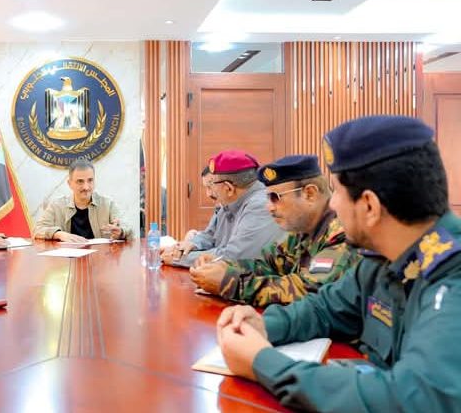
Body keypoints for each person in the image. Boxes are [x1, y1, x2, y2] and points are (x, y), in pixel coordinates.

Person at [217, 115, 461, 411]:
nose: (331, 203)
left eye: (338, 191)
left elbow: (410, 399)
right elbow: (324, 309)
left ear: (369, 206)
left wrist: (262, 363)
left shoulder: (452, 282)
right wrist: (263, 326)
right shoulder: (382, 260)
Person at [189, 155, 359, 306]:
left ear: (309, 194)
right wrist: (223, 266)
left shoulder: (343, 233)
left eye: (275, 198)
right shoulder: (302, 231)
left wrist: (230, 283)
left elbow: (309, 290)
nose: (269, 207)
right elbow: (267, 264)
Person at [162, 150, 283, 267]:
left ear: (228, 188)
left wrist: (178, 258)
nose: (210, 193)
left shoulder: (261, 205)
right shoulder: (230, 202)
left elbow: (233, 257)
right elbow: (211, 236)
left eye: (212, 184)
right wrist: (191, 244)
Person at [33, 159, 131, 242]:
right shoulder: (57, 205)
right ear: (70, 183)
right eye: (80, 181)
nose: (86, 187)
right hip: (67, 258)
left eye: (90, 180)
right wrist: (59, 234)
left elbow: (129, 229)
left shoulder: (108, 204)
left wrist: (121, 232)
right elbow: (37, 230)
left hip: (100, 256)